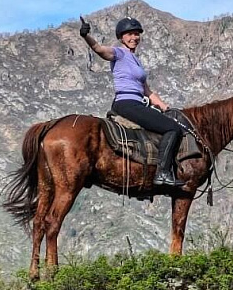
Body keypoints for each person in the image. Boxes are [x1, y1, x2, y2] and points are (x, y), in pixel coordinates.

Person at [79, 15, 184, 187]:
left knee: (165, 124)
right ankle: (163, 173)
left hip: (137, 102)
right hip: (126, 103)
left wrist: (166, 107)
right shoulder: (119, 53)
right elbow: (99, 49)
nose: (134, 37)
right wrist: (86, 36)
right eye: (129, 34)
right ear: (121, 37)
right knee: (172, 129)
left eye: (136, 34)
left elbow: (147, 91)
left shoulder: (137, 61)